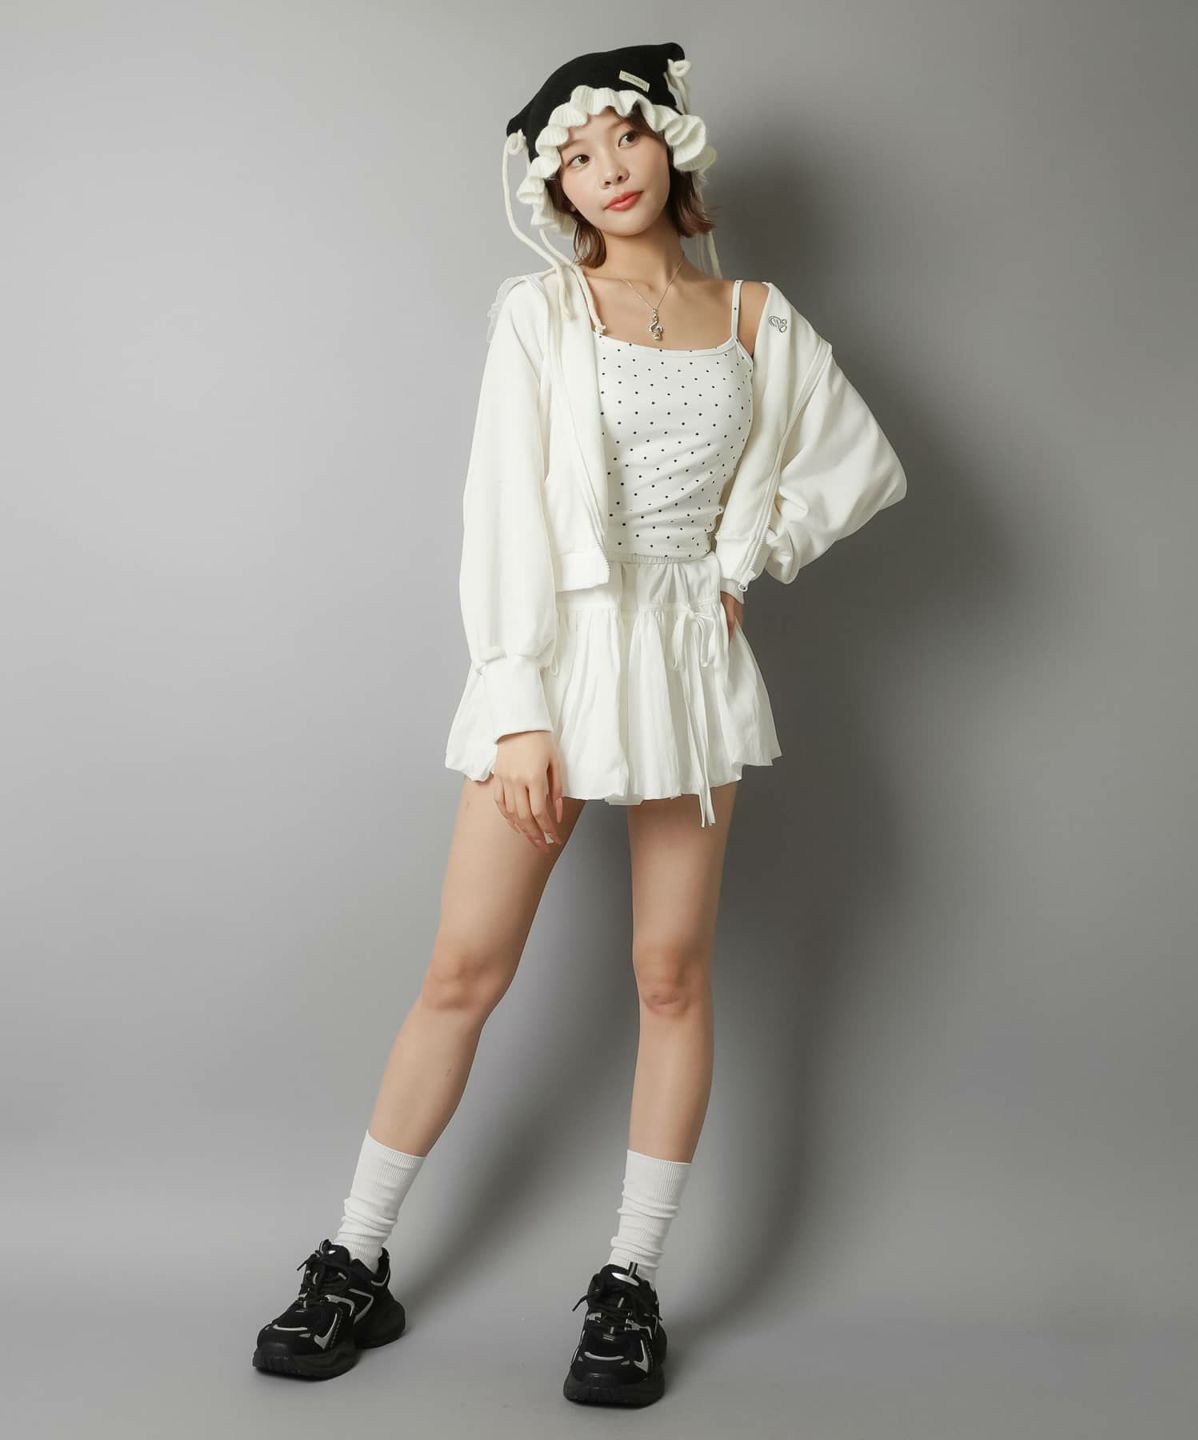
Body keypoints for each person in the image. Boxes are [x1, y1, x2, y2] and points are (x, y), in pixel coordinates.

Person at [252, 41, 907, 1406]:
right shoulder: (541, 313)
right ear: (555, 185)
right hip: (559, 655)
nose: (607, 169)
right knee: (463, 971)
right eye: (578, 155)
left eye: (626, 138)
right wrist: (516, 704)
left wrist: (745, 555)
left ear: (673, 145)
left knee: (671, 978)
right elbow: (500, 510)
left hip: (687, 668)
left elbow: (856, 464)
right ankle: (354, 1258)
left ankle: (629, 1284)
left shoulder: (757, 316)